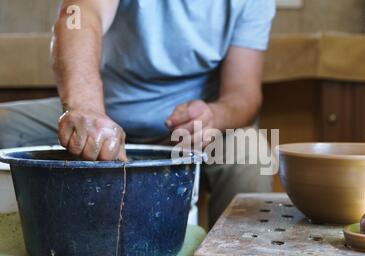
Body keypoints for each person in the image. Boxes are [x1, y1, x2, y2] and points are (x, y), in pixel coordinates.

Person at [0, 0, 275, 226]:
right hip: (106, 111)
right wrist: (85, 106)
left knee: (252, 153)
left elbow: (244, 93)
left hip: (187, 131)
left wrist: (213, 116)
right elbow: (79, 14)